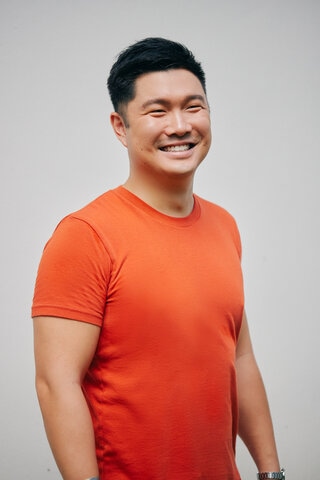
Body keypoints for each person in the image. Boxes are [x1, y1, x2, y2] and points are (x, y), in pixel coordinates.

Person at [32, 37, 284, 480]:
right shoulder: (85, 235)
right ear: (120, 125)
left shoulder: (225, 226)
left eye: (193, 106)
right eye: (157, 111)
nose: (180, 125)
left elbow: (239, 360)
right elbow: (57, 384)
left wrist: (271, 472)